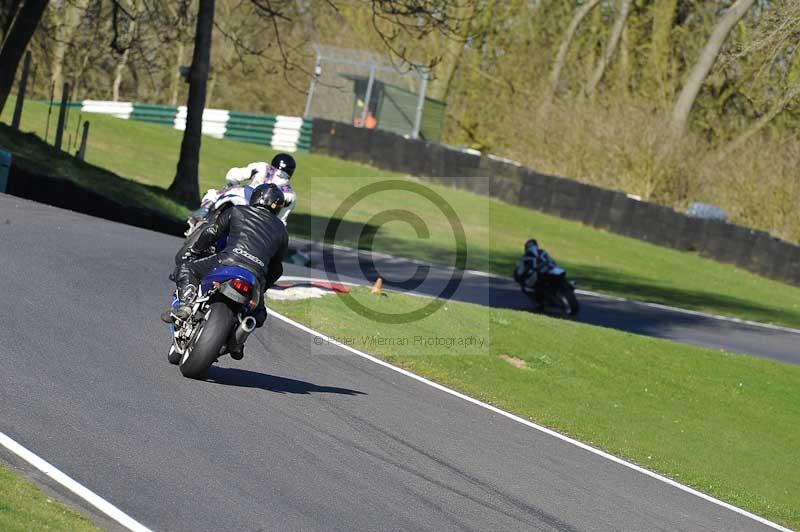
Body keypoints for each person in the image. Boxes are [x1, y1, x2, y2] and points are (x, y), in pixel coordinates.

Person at [162, 184, 289, 357]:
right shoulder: (282, 230)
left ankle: (185, 303)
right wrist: (262, 286)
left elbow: (211, 232)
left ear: (255, 197)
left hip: (228, 260)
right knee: (259, 314)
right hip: (255, 274)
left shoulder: (237, 211)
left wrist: (195, 250)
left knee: (187, 266)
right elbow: (276, 268)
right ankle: (239, 338)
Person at [219, 152, 297, 225]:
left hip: (240, 202)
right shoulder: (290, 195)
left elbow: (232, 176)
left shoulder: (261, 167)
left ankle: (207, 209)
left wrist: (233, 185)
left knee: (214, 194)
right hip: (261, 222)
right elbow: (281, 221)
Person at [513, 238, 557, 310]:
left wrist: (519, 277)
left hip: (548, 273)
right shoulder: (542, 252)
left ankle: (539, 302)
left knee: (526, 288)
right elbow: (552, 261)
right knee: (528, 287)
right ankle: (541, 302)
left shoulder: (525, 257)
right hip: (547, 273)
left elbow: (519, 272)